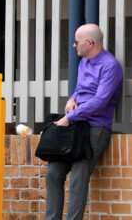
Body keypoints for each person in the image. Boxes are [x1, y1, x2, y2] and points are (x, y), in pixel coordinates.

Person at [47, 23, 123, 220]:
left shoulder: (110, 66)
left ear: (90, 43)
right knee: (54, 173)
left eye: (76, 42)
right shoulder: (84, 62)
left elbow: (99, 101)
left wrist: (68, 117)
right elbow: (81, 90)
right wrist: (72, 98)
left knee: (78, 179)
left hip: (95, 128)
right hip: (76, 125)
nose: (74, 46)